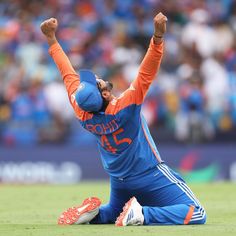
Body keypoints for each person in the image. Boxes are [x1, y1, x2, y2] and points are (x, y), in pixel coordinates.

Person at [40, 12, 206, 226]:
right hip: (149, 174)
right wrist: (157, 37)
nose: (98, 78)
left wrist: (51, 40)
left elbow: (67, 74)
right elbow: (147, 72)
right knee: (197, 213)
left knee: (113, 212)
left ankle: (95, 215)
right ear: (105, 94)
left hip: (119, 181)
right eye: (97, 83)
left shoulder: (82, 111)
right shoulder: (127, 106)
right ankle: (142, 215)